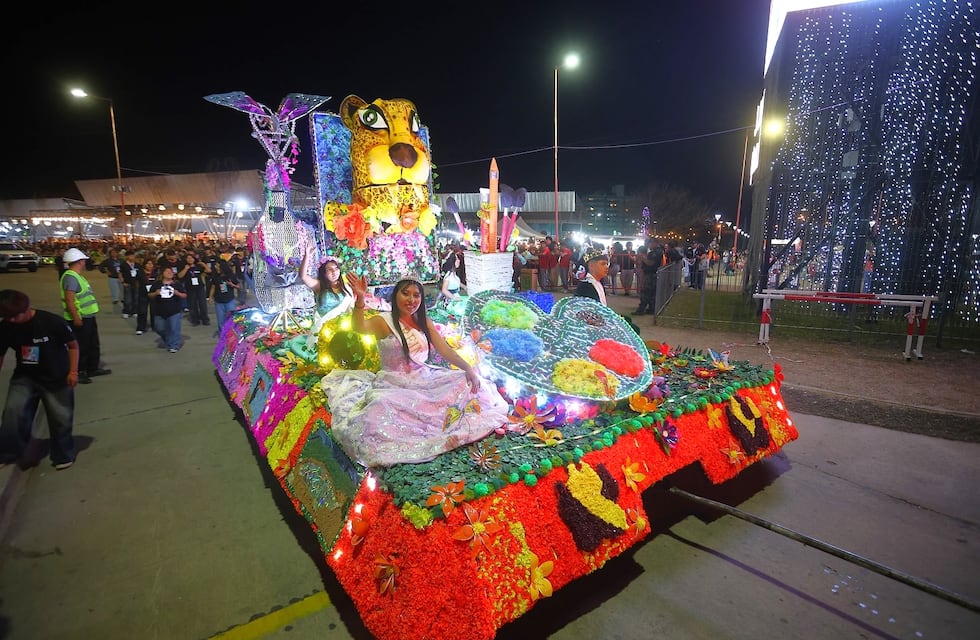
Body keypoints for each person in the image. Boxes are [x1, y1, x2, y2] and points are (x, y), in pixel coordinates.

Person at [321, 277, 508, 468]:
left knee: (466, 382)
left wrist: (468, 368)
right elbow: (358, 327)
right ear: (395, 296)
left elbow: (444, 349)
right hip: (394, 383)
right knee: (380, 407)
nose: (411, 299)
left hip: (425, 377)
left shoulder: (422, 321)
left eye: (416, 295)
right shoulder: (384, 321)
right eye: (405, 293)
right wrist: (360, 299)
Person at [0, 290, 79, 470]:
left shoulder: (51, 322)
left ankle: (62, 454)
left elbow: (73, 346)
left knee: (61, 417)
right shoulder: (5, 327)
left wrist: (73, 372)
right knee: (13, 412)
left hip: (56, 377)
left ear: (26, 308)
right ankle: (8, 452)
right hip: (25, 376)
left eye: (14, 316)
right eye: (6, 317)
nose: (11, 320)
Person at [60, 248, 111, 383]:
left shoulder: (76, 276)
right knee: (82, 345)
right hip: (80, 318)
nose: (84, 263)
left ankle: (92, 368)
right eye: (83, 260)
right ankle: (80, 371)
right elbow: (70, 299)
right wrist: (76, 317)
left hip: (88, 316)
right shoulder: (70, 277)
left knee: (93, 343)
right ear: (79, 262)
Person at [299, 245, 354, 332]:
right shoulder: (319, 285)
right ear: (324, 273)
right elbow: (303, 276)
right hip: (323, 329)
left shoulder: (346, 287)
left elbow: (350, 309)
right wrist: (307, 256)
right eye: (330, 269)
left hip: (344, 327)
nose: (334, 272)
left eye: (336, 268)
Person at [148, 267, 188, 353]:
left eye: (171, 271)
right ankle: (169, 339)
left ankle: (174, 345)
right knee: (159, 328)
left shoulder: (177, 284)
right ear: (162, 274)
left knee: (174, 329)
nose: (170, 273)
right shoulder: (157, 284)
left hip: (174, 311)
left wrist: (178, 293)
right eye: (167, 271)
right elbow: (150, 295)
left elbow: (184, 295)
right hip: (159, 311)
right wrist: (155, 293)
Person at [208, 258, 240, 337]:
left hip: (229, 300)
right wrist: (210, 297)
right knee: (220, 320)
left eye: (217, 266)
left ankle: (232, 334)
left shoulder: (230, 276)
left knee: (230, 319)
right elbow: (213, 287)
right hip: (218, 301)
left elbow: (239, 286)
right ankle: (223, 335)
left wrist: (232, 285)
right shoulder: (215, 276)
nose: (216, 267)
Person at [178, 251, 211, 327]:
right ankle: (195, 319)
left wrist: (203, 265)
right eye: (188, 258)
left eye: (191, 258)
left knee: (202, 304)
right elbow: (180, 276)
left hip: (200, 288)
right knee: (192, 305)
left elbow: (209, 271)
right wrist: (186, 269)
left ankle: (205, 319)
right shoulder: (184, 267)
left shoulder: (198, 266)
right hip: (190, 288)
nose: (190, 259)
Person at [634, 238, 664, 315]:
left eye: (649, 243)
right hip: (654, 273)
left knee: (645, 292)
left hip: (651, 274)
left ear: (654, 243)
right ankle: (651, 308)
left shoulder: (655, 252)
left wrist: (642, 258)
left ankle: (641, 309)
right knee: (652, 293)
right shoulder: (660, 251)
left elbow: (650, 263)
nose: (648, 245)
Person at [135, 257, 158, 335]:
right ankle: (141, 327)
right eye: (148, 264)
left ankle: (154, 326)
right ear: (144, 265)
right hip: (143, 294)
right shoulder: (140, 273)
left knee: (154, 311)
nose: (150, 265)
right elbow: (136, 282)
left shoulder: (156, 273)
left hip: (153, 294)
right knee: (142, 311)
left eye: (151, 264)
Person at [120, 251, 141, 318]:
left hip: (136, 284)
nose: (133, 257)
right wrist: (123, 282)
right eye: (131, 256)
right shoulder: (123, 265)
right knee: (127, 299)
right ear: (127, 257)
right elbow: (120, 274)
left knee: (136, 298)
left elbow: (140, 274)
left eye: (133, 256)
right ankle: (126, 311)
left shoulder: (137, 265)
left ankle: (134, 311)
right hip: (127, 283)